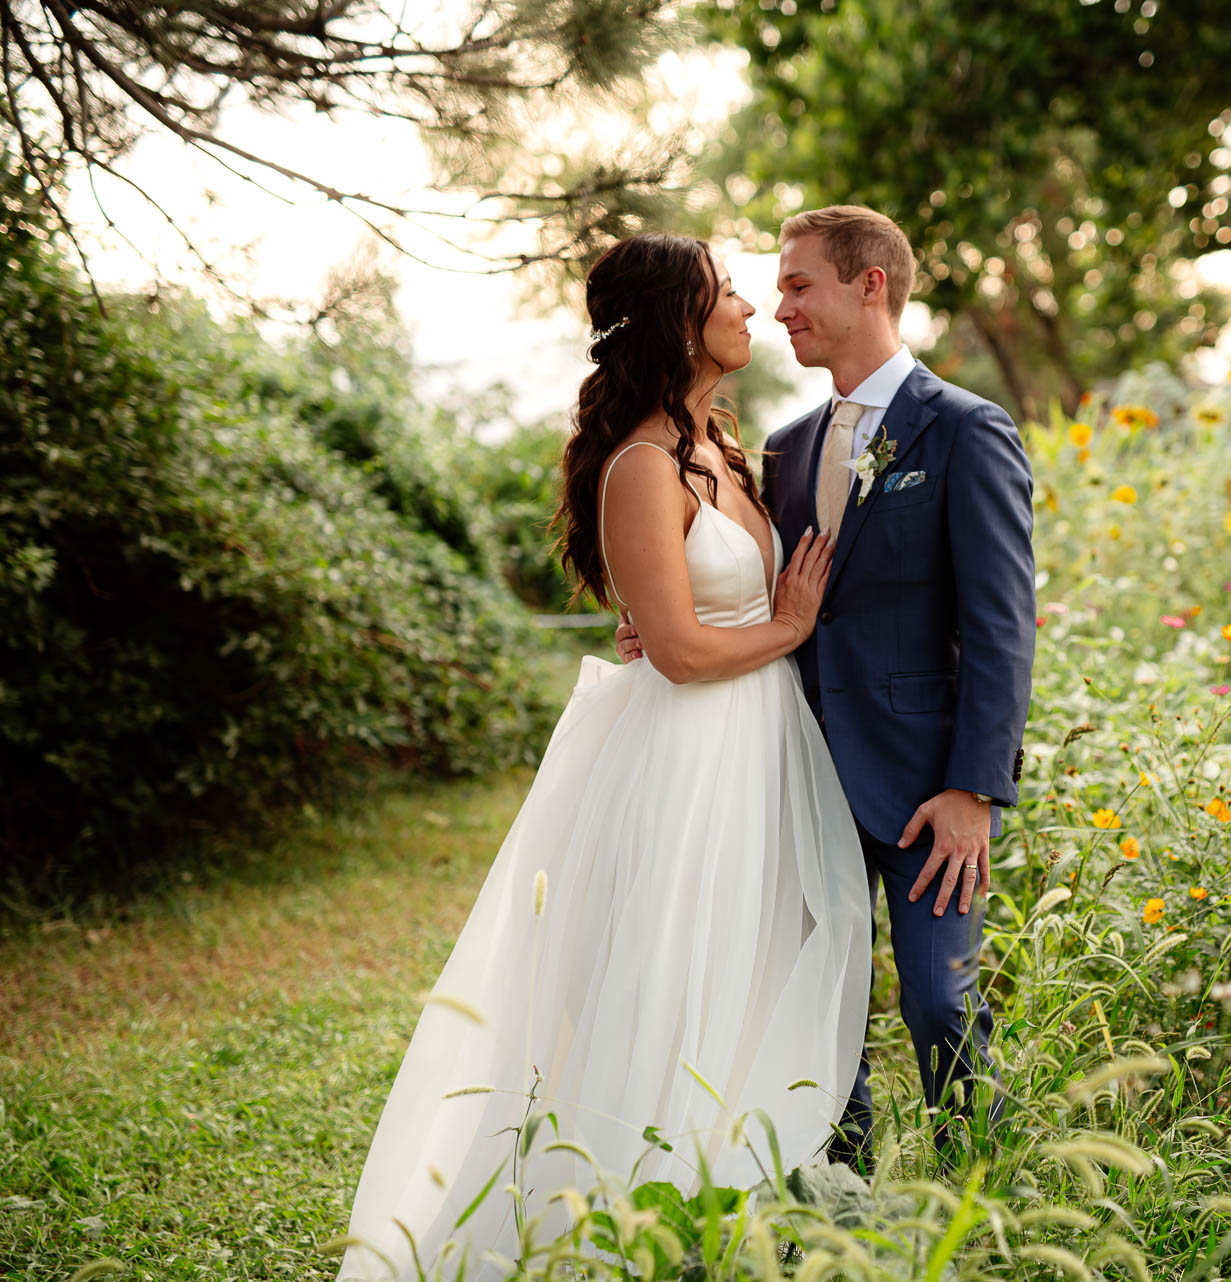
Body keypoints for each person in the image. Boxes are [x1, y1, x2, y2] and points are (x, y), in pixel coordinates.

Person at [335, 234, 871, 1282]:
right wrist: (790, 626)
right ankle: (626, 1228)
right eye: (726, 295)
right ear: (680, 321)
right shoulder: (638, 462)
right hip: (688, 759)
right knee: (669, 978)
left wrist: (774, 629)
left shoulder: (722, 443)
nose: (751, 309)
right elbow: (674, 648)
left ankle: (734, 1218)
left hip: (760, 750)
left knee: (747, 975)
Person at [615, 206, 1037, 1166]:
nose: (781, 305)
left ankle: (984, 1191)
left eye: (800, 284)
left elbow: (1004, 625)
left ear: (870, 285)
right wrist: (659, 618)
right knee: (817, 1003)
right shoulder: (787, 447)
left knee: (940, 1000)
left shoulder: (968, 430)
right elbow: (753, 583)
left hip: (931, 788)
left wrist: (975, 789)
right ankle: (831, 1203)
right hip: (794, 773)